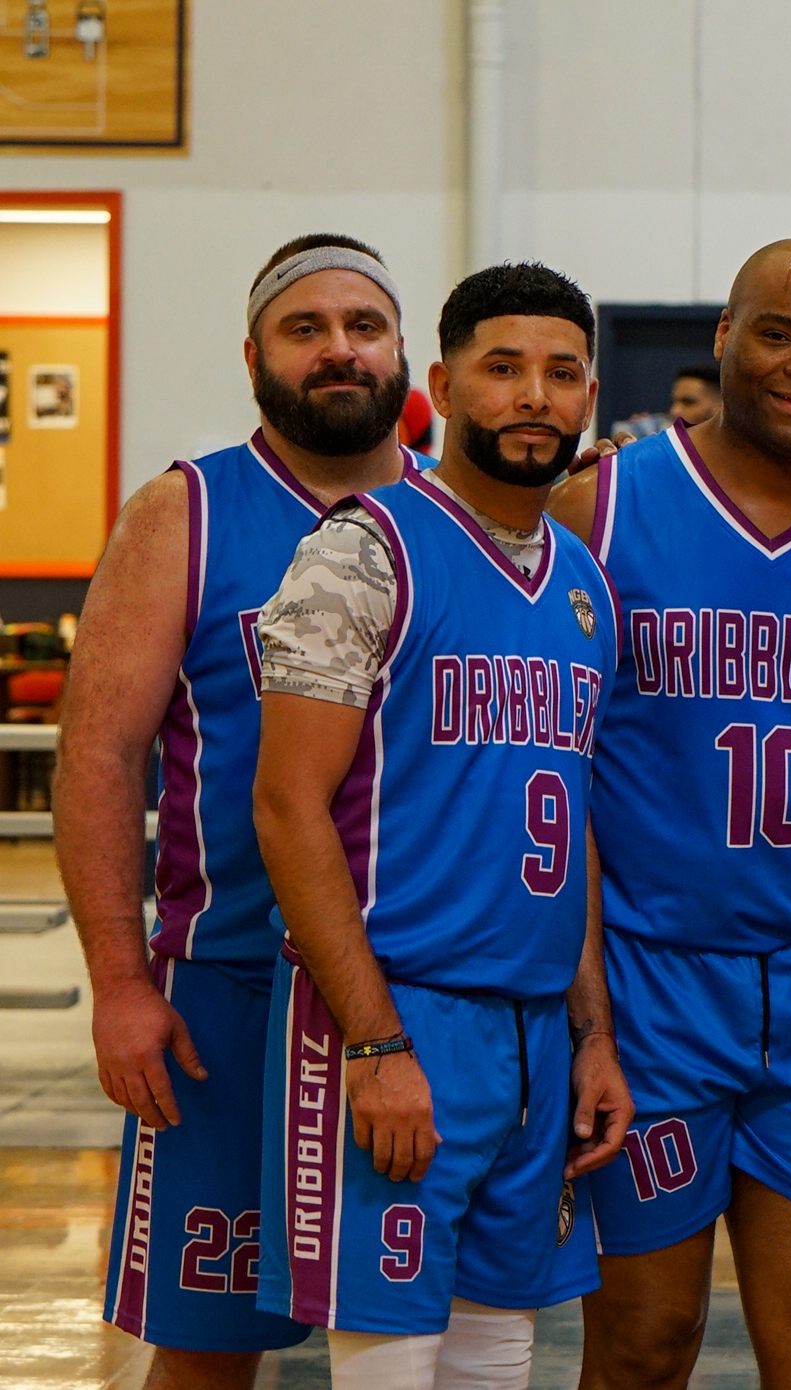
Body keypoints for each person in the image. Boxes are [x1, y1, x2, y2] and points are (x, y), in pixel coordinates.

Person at [547, 240, 791, 1390]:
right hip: (650, 985)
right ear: (721, 338)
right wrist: (589, 1011)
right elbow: (552, 769)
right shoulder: (599, 503)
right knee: (644, 1340)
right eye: (777, 332)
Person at [249, 262, 631, 1389]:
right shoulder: (363, 549)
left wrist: (592, 1035)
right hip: (396, 1013)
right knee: (390, 1363)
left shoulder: (584, 586)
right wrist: (373, 1042)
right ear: (444, 386)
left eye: (560, 373)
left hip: (532, 1033)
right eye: (502, 368)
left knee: (495, 1357)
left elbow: (571, 825)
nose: (533, 396)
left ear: (590, 395)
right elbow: (285, 807)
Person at [59, 233, 416, 1390]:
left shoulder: (472, 513)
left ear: (405, 352)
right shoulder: (184, 511)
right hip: (234, 986)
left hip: (432, 985)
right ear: (254, 355)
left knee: (436, 1339)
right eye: (304, 330)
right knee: (206, 1356)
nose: (338, 351)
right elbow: (100, 757)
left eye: (362, 326)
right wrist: (119, 983)